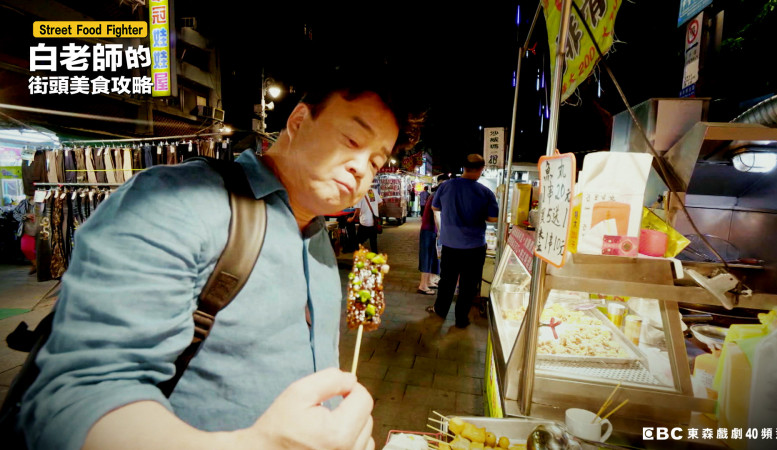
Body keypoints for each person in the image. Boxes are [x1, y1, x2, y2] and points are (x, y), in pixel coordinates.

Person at [19, 63, 425, 450]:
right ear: (299, 121)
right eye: (351, 140)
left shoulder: (318, 240)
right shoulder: (178, 201)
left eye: (376, 162)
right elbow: (73, 401)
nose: (361, 168)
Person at [426, 154, 498, 328]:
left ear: (463, 167)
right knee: (469, 284)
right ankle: (461, 319)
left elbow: (435, 207)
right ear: (481, 169)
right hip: (475, 247)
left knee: (446, 281)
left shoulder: (446, 186)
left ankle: (440, 310)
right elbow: (493, 218)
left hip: (450, 245)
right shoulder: (485, 192)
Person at [416, 183, 439, 295]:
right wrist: (441, 231)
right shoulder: (437, 196)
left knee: (432, 256)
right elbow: (436, 215)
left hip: (430, 230)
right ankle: (423, 285)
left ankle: (429, 281)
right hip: (429, 230)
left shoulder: (434, 195)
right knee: (427, 257)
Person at [349, 186, 382, 252]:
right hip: (374, 221)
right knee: (373, 242)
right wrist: (374, 209)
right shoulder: (373, 191)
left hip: (365, 222)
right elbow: (381, 203)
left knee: (358, 242)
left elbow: (357, 211)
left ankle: (359, 254)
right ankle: (375, 255)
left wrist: (352, 219)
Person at [12, 196, 37, 274]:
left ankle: (38, 265)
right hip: (27, 230)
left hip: (42, 230)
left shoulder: (45, 202)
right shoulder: (23, 202)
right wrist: (25, 216)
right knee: (26, 248)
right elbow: (15, 213)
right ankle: (36, 264)